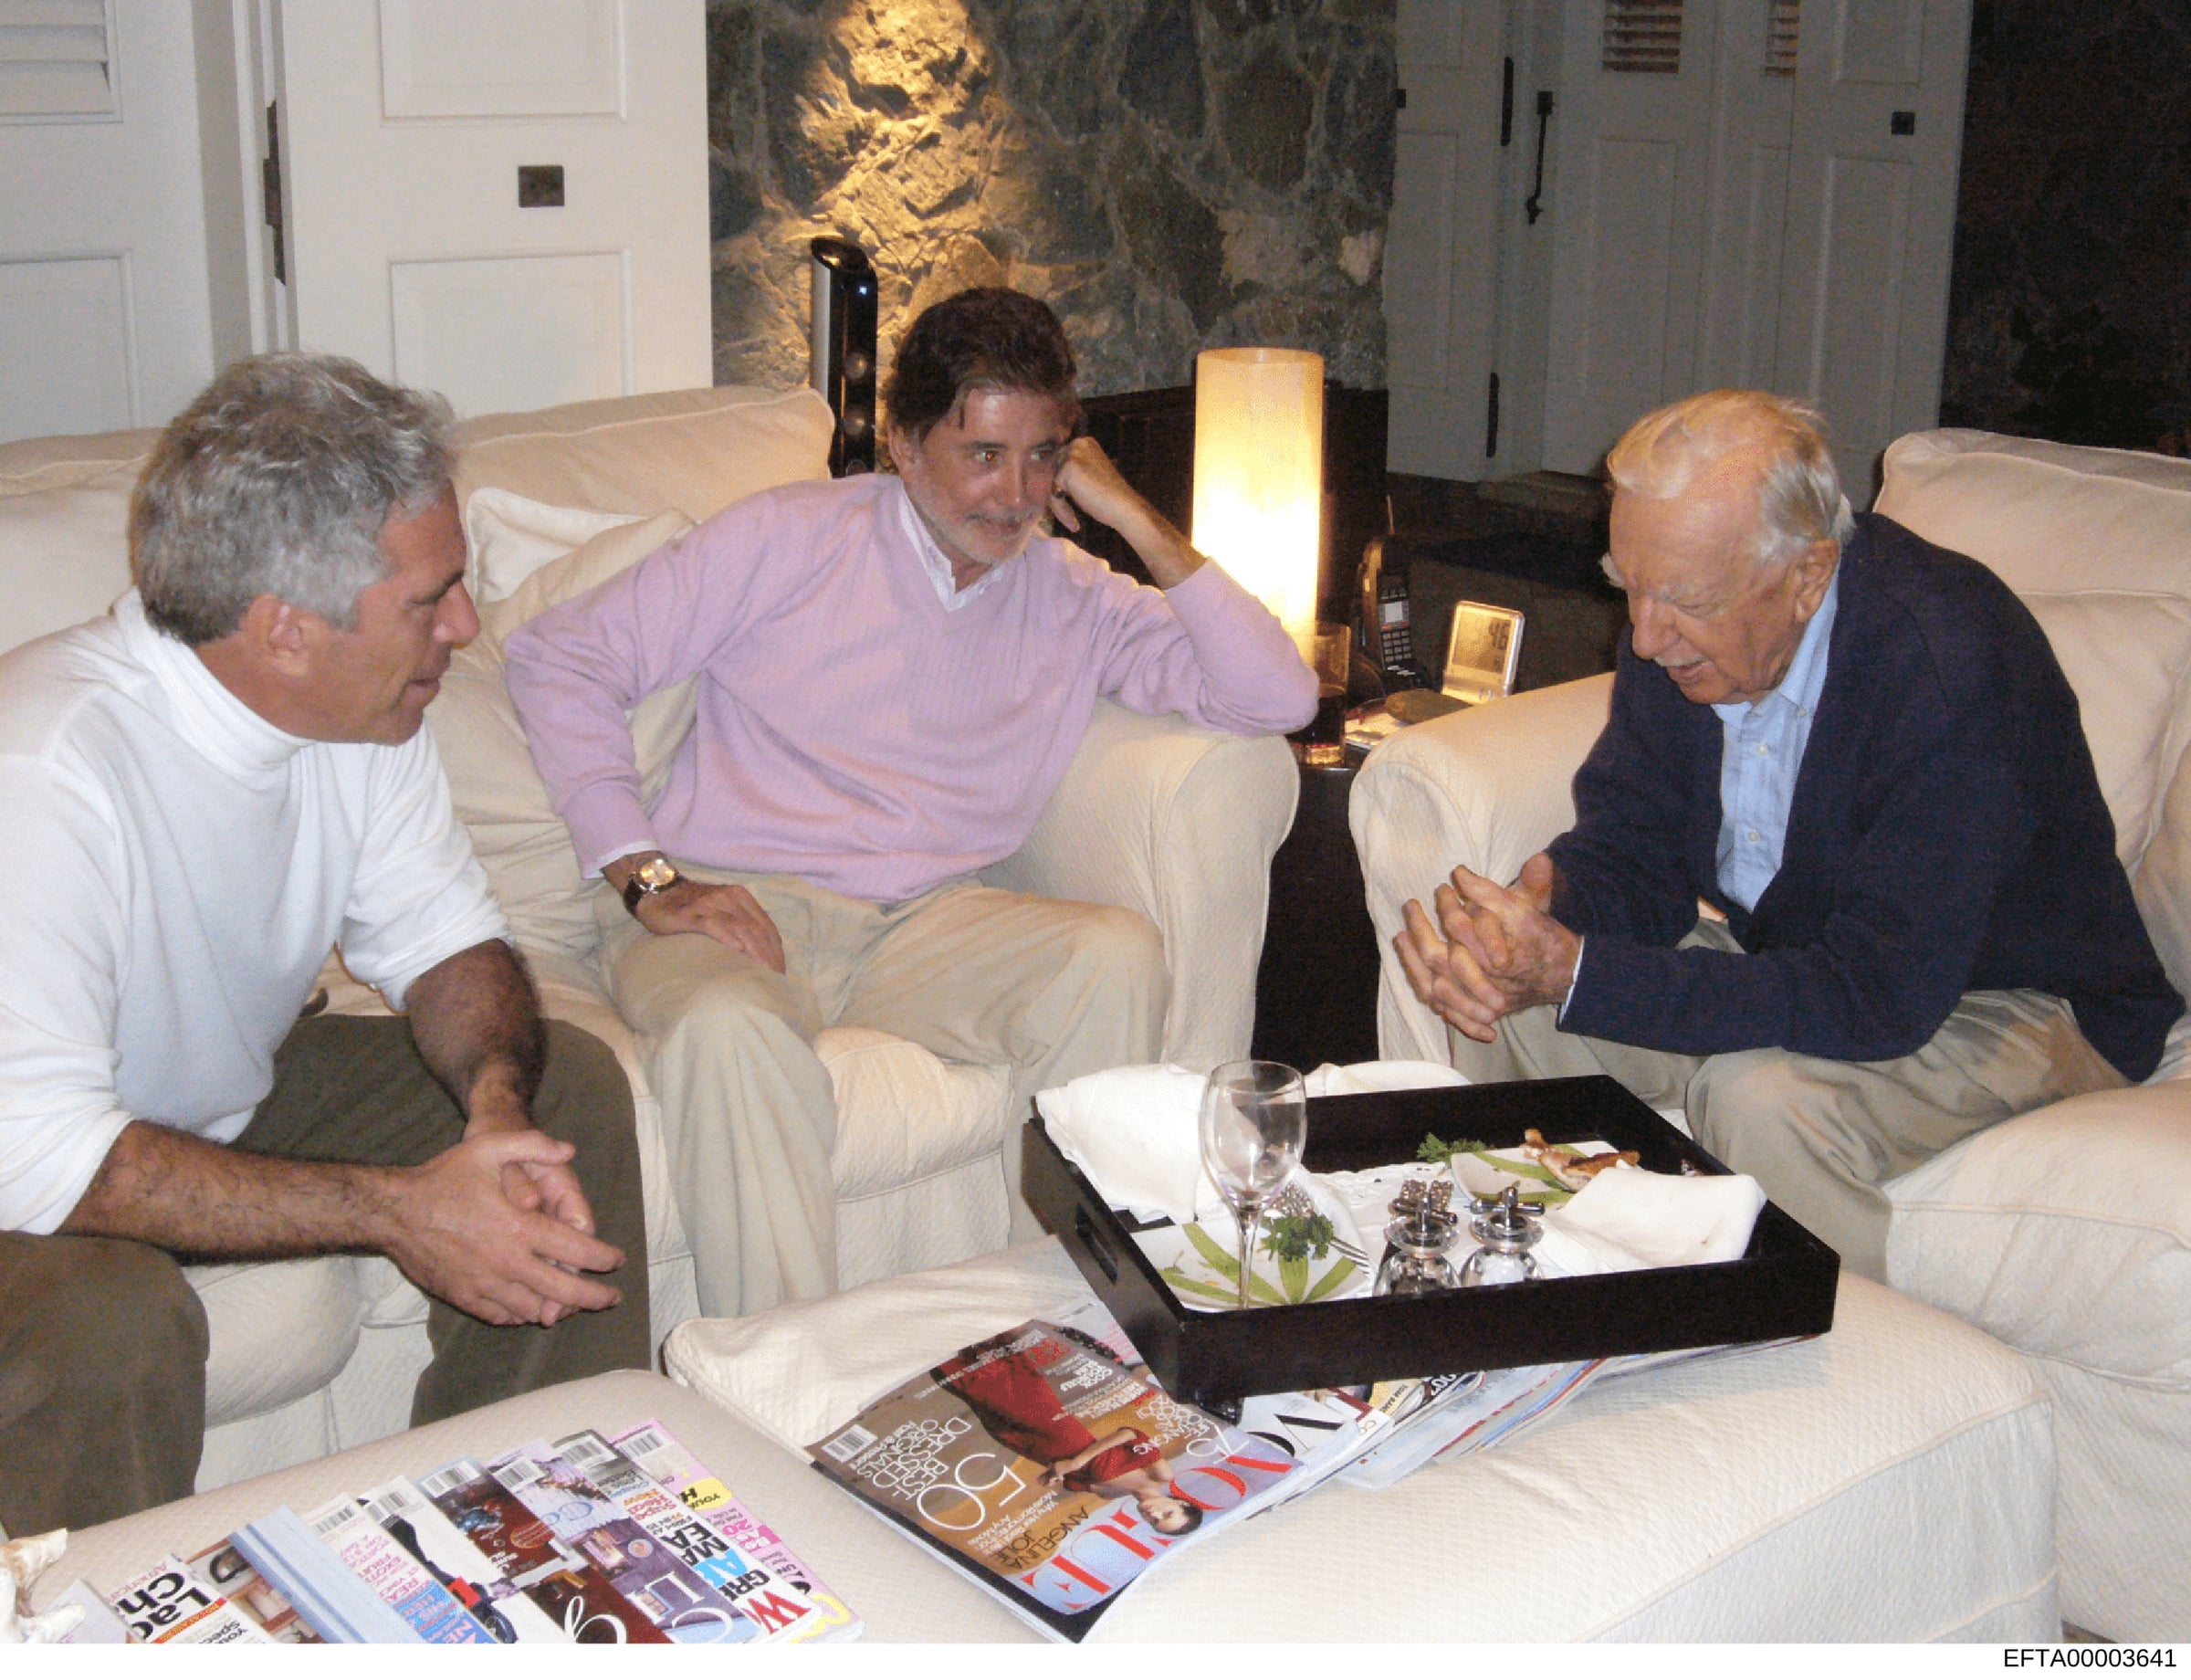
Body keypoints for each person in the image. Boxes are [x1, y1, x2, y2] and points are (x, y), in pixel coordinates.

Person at [505, 287, 1316, 1317]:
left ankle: (1065, 1325)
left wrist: (1134, 518)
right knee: (723, 1027)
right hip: (738, 908)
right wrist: (643, 870)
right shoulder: (787, 538)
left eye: (1044, 456)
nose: (1016, 493)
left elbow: (1277, 695)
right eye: (983, 454)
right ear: (901, 443)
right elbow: (560, 657)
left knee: (1115, 952)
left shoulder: (1075, 595)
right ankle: (788, 1367)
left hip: (929, 924)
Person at [0, 352, 651, 1538]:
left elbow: (446, 942)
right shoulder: (45, 769)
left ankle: (526, 1533)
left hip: (204, 1102)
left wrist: (496, 1115)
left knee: (576, 1099)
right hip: (26, 1177)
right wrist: (403, 1209)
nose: (466, 624)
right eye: (430, 599)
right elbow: (43, 1158)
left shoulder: (357, 713)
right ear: (286, 630)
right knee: (109, 1316)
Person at [1395, 389, 2183, 1281]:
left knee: (1762, 1101)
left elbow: (1877, 993)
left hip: (2017, 997)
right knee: (1517, 1011)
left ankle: (1840, 1377)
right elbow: (1638, 849)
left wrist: (1580, 969)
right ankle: (1539, 1300)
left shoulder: (1946, 668)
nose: (1645, 637)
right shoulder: (1685, 621)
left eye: (1682, 598)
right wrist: (1543, 909)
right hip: (1818, 954)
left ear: (1807, 575)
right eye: (1629, 586)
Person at [933, 1334, 1201, 1536]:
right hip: (1059, 1430)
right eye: (1166, 1513)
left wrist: (1056, 1474)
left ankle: (942, 1348)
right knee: (998, 1388)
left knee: (984, 1408)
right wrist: (1075, 1463)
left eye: (1155, 1522)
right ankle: (963, 1338)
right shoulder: (1160, 1475)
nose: (1153, 1514)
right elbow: (1131, 1434)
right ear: (1178, 1501)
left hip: (1035, 1448)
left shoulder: (1108, 1496)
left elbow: (1072, 1476)